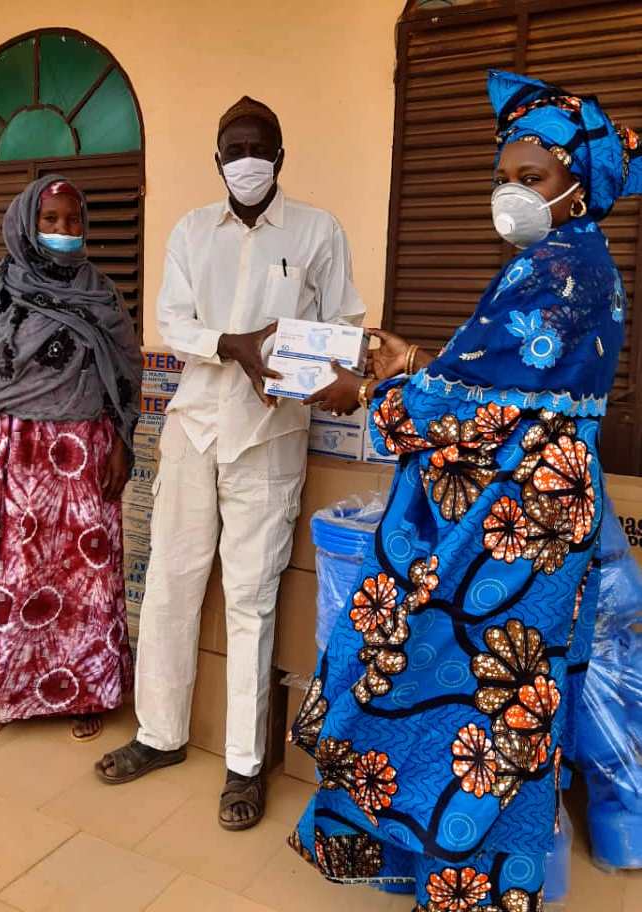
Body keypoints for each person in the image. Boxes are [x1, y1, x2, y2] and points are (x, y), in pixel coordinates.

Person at [285, 70, 640, 909]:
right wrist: (410, 363)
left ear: (576, 182)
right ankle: (457, 872)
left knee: (459, 692)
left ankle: (471, 882)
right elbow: (502, 385)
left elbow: (473, 405)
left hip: (517, 524)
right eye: (504, 177)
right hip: (525, 509)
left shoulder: (559, 268)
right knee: (490, 701)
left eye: (532, 177)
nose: (510, 193)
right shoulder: (565, 261)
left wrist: (369, 393)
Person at [96, 96, 365, 829]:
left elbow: (343, 324)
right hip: (193, 424)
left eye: (259, 145)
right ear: (217, 159)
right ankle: (159, 735)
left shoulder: (318, 230)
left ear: (280, 155)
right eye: (233, 146)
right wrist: (233, 344)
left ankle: (246, 766)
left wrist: (292, 364)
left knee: (250, 595)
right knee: (171, 583)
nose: (246, 157)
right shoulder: (189, 230)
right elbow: (172, 321)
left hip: (270, 434)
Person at [0, 175, 142, 742]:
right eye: (50, 221)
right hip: (15, 452)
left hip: (85, 452)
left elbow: (126, 373)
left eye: (73, 221)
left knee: (85, 580)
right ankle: (0, 691)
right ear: (28, 224)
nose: (63, 231)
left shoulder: (100, 293)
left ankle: (87, 691)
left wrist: (123, 446)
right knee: (12, 576)